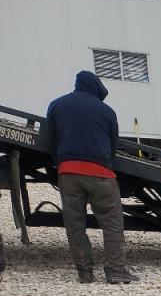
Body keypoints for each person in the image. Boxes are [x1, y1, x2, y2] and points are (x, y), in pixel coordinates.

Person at [45, 71, 137, 284]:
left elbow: (51, 140)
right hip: (100, 172)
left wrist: (59, 163)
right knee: (112, 223)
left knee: (75, 224)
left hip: (68, 172)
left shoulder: (56, 106)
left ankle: (85, 273)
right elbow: (113, 144)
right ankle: (115, 270)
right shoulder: (106, 111)